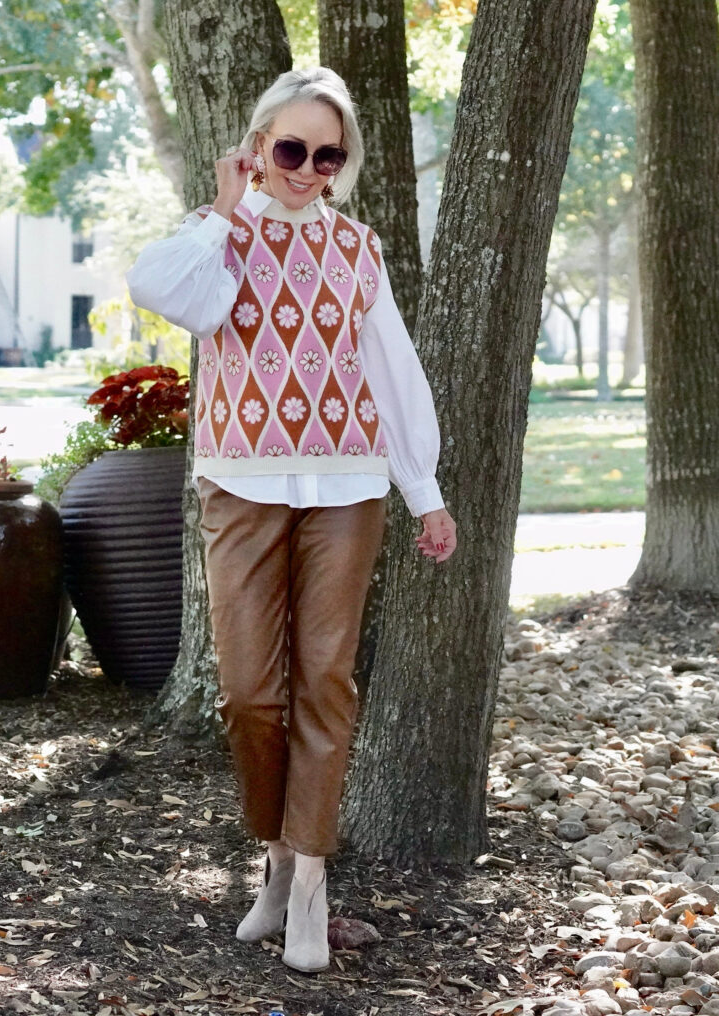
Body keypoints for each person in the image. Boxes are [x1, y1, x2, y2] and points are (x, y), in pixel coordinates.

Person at [127, 67, 457, 974]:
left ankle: (308, 884)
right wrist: (227, 215)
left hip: (348, 483)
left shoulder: (359, 248)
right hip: (241, 480)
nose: (309, 169)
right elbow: (160, 291)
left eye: (328, 154)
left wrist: (421, 489)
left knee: (326, 680)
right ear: (258, 148)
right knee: (246, 692)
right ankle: (272, 858)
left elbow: (389, 371)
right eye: (292, 149)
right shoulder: (217, 239)